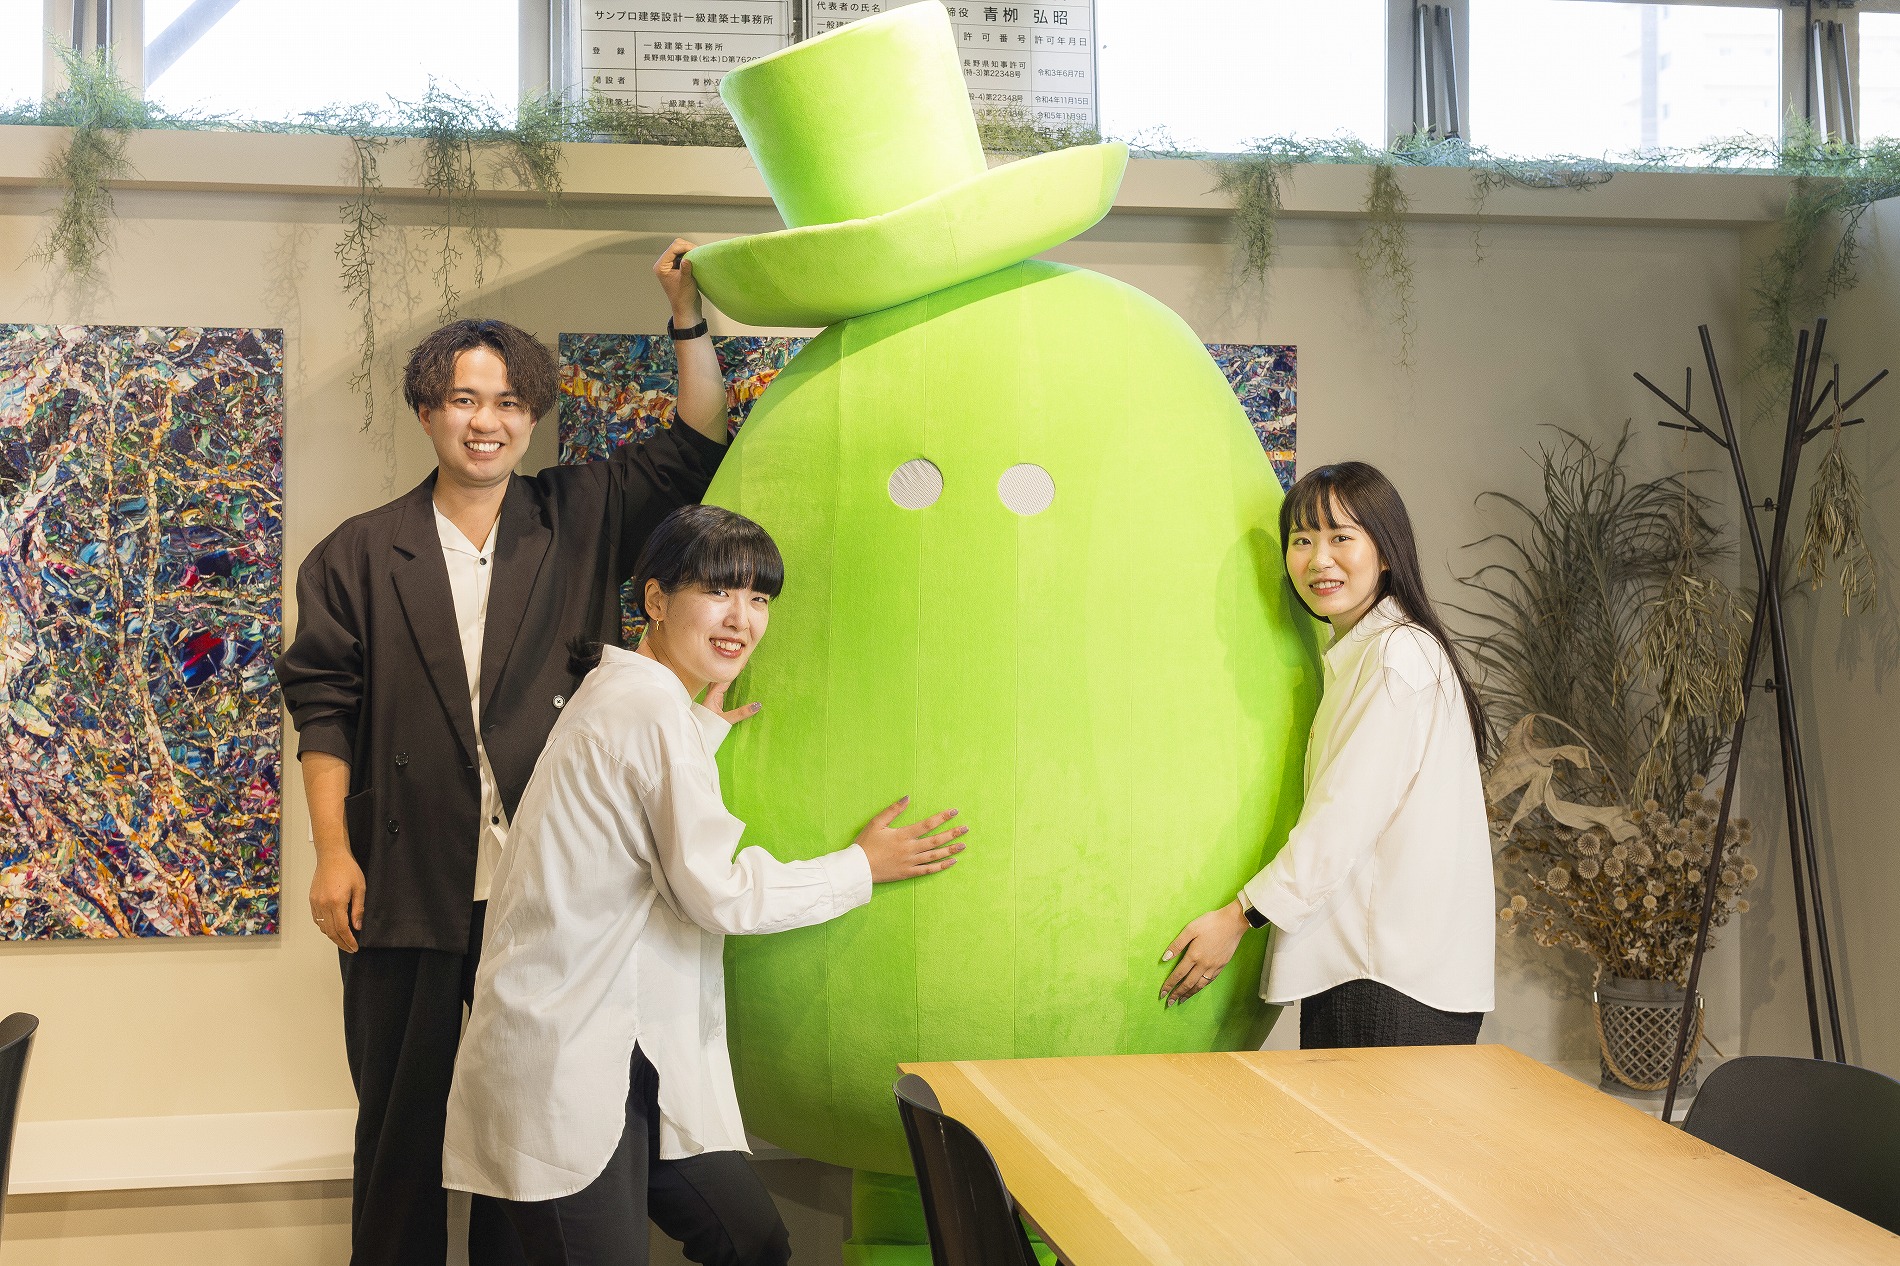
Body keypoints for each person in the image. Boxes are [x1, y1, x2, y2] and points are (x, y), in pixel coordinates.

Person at [277, 241, 730, 1266]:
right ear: (427, 411)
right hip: (404, 881)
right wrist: (333, 852)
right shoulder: (358, 551)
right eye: (463, 399)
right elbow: (324, 708)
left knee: (527, 1129)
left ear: (532, 417)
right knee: (400, 1130)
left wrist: (686, 312)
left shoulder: (578, 513)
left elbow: (698, 438)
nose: (486, 421)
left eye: (508, 403)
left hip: (551, 887)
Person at [442, 504, 968, 1265]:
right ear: (655, 600)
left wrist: (698, 728)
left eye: (759, 598)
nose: (741, 619)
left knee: (750, 1240)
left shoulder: (637, 701)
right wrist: (861, 865)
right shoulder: (647, 711)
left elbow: (631, 812)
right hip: (567, 1056)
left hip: (636, 1056)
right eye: (718, 591)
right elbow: (714, 894)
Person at [1157, 462, 1495, 1047]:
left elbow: (1344, 816)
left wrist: (1238, 917)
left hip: (1386, 980)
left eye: (1341, 537)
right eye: (1302, 540)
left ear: (1385, 552)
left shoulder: (1397, 656)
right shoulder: (1367, 652)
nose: (1319, 560)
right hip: (1374, 973)